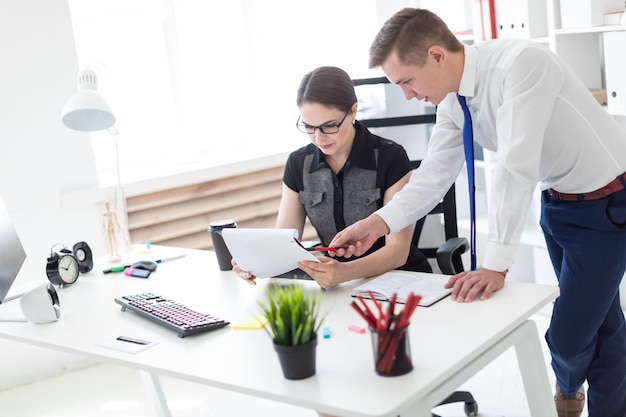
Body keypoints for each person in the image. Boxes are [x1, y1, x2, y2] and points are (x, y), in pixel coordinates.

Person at [329, 8, 626, 417]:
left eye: (406, 81)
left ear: (436, 55)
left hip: (607, 207)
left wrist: (495, 266)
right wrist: (375, 224)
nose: (407, 95)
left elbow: (516, 165)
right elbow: (433, 176)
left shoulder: (522, 64)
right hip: (558, 205)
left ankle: (568, 391)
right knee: (605, 329)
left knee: (571, 336)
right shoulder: (453, 102)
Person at [232, 65, 431, 289]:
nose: (318, 138)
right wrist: (255, 262)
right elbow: (285, 242)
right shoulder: (298, 163)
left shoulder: (390, 157)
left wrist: (345, 273)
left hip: (397, 283)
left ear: (353, 111)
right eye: (309, 127)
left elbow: (397, 252)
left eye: (329, 126)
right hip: (336, 287)